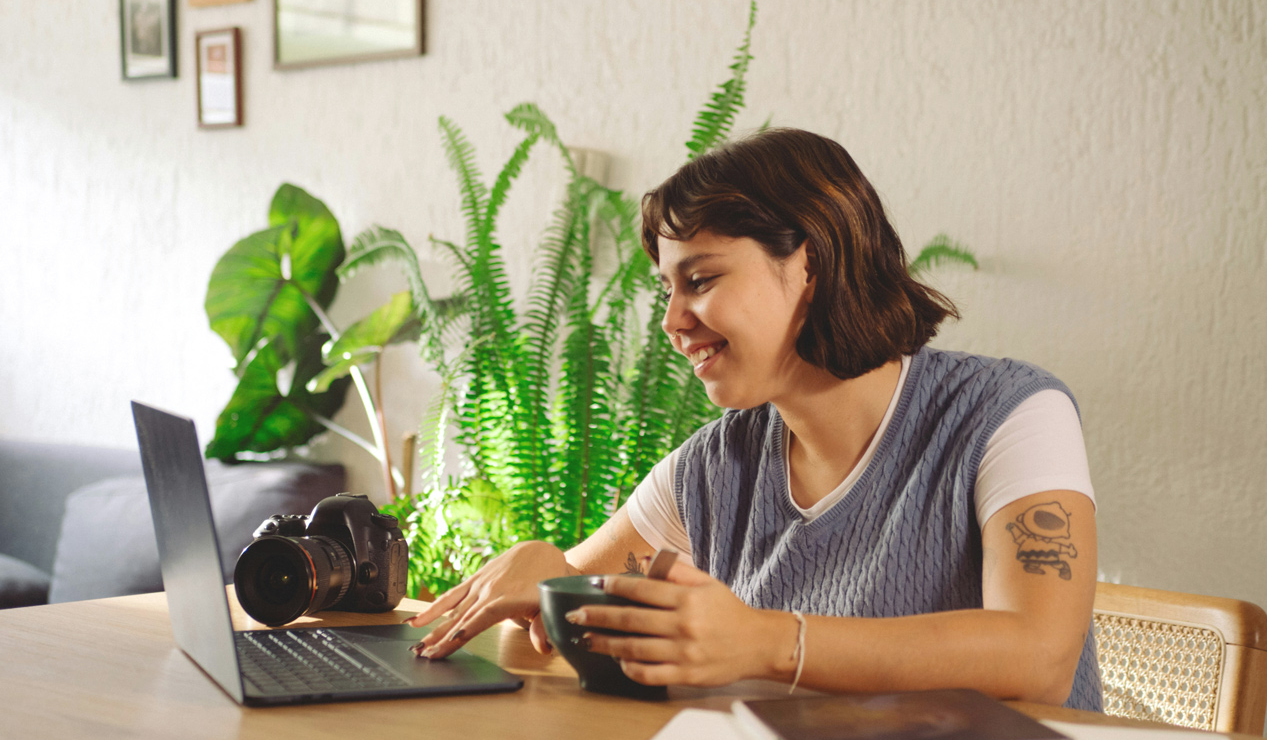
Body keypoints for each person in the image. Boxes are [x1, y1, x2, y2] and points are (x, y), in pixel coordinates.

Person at [408, 128, 1102, 710]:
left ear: (812, 265)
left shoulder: (1012, 415)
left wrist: (766, 642)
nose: (673, 324)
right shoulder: (713, 468)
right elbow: (556, 632)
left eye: (701, 281)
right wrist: (542, 575)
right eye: (667, 289)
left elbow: (1038, 658)